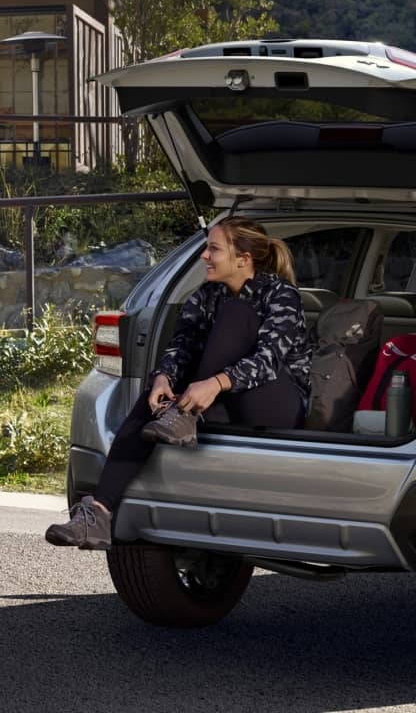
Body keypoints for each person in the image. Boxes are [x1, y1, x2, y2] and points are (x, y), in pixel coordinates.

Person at [45, 216, 312, 550]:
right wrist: (163, 378)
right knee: (153, 400)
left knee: (236, 314)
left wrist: (214, 383)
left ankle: (185, 415)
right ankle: (98, 514)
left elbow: (269, 360)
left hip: (278, 404)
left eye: (214, 249)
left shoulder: (280, 294)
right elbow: (182, 344)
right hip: (222, 401)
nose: (204, 256)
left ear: (244, 259)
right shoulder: (205, 295)